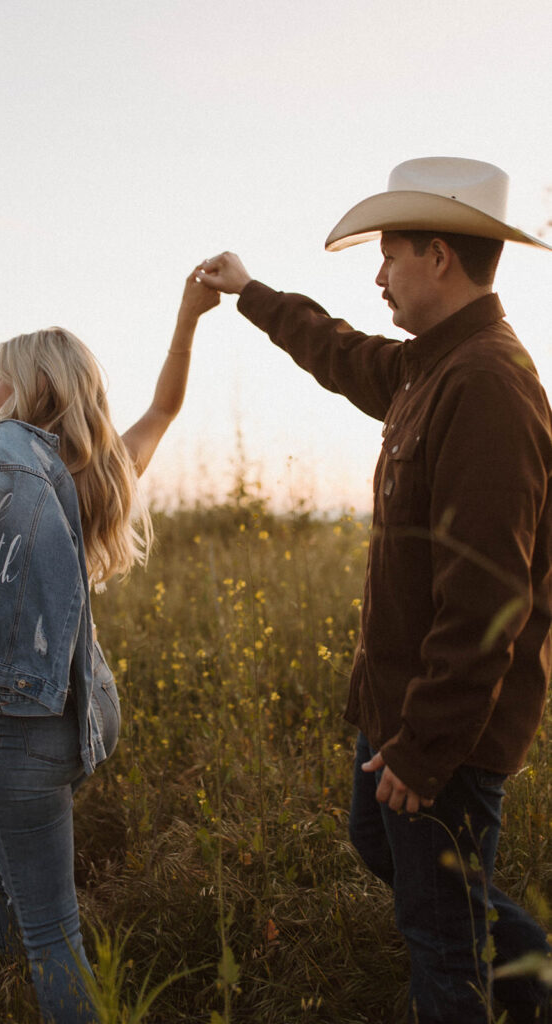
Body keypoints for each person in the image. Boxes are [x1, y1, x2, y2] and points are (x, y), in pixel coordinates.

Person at [197, 157, 552, 1024]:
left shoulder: (486, 387)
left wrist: (425, 750)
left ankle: (528, 978)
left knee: (440, 949)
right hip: (396, 713)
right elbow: (341, 351)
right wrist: (252, 293)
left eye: (389, 256)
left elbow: (486, 599)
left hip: (443, 734)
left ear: (437, 256)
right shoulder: (429, 368)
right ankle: (538, 971)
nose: (377, 274)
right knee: (380, 847)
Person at [0, 270, 219, 1023]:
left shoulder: (6, 484)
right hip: (87, 712)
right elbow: (166, 406)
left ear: (32, 389)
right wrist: (187, 318)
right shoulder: (98, 475)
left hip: (25, 729)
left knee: (51, 929)